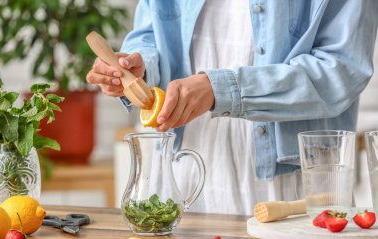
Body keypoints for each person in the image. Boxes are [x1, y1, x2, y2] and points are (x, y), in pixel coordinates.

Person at [87, 0, 378, 215]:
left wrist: (220, 89)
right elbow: (152, 29)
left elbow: (341, 70)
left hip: (291, 187)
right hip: (186, 175)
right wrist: (141, 67)